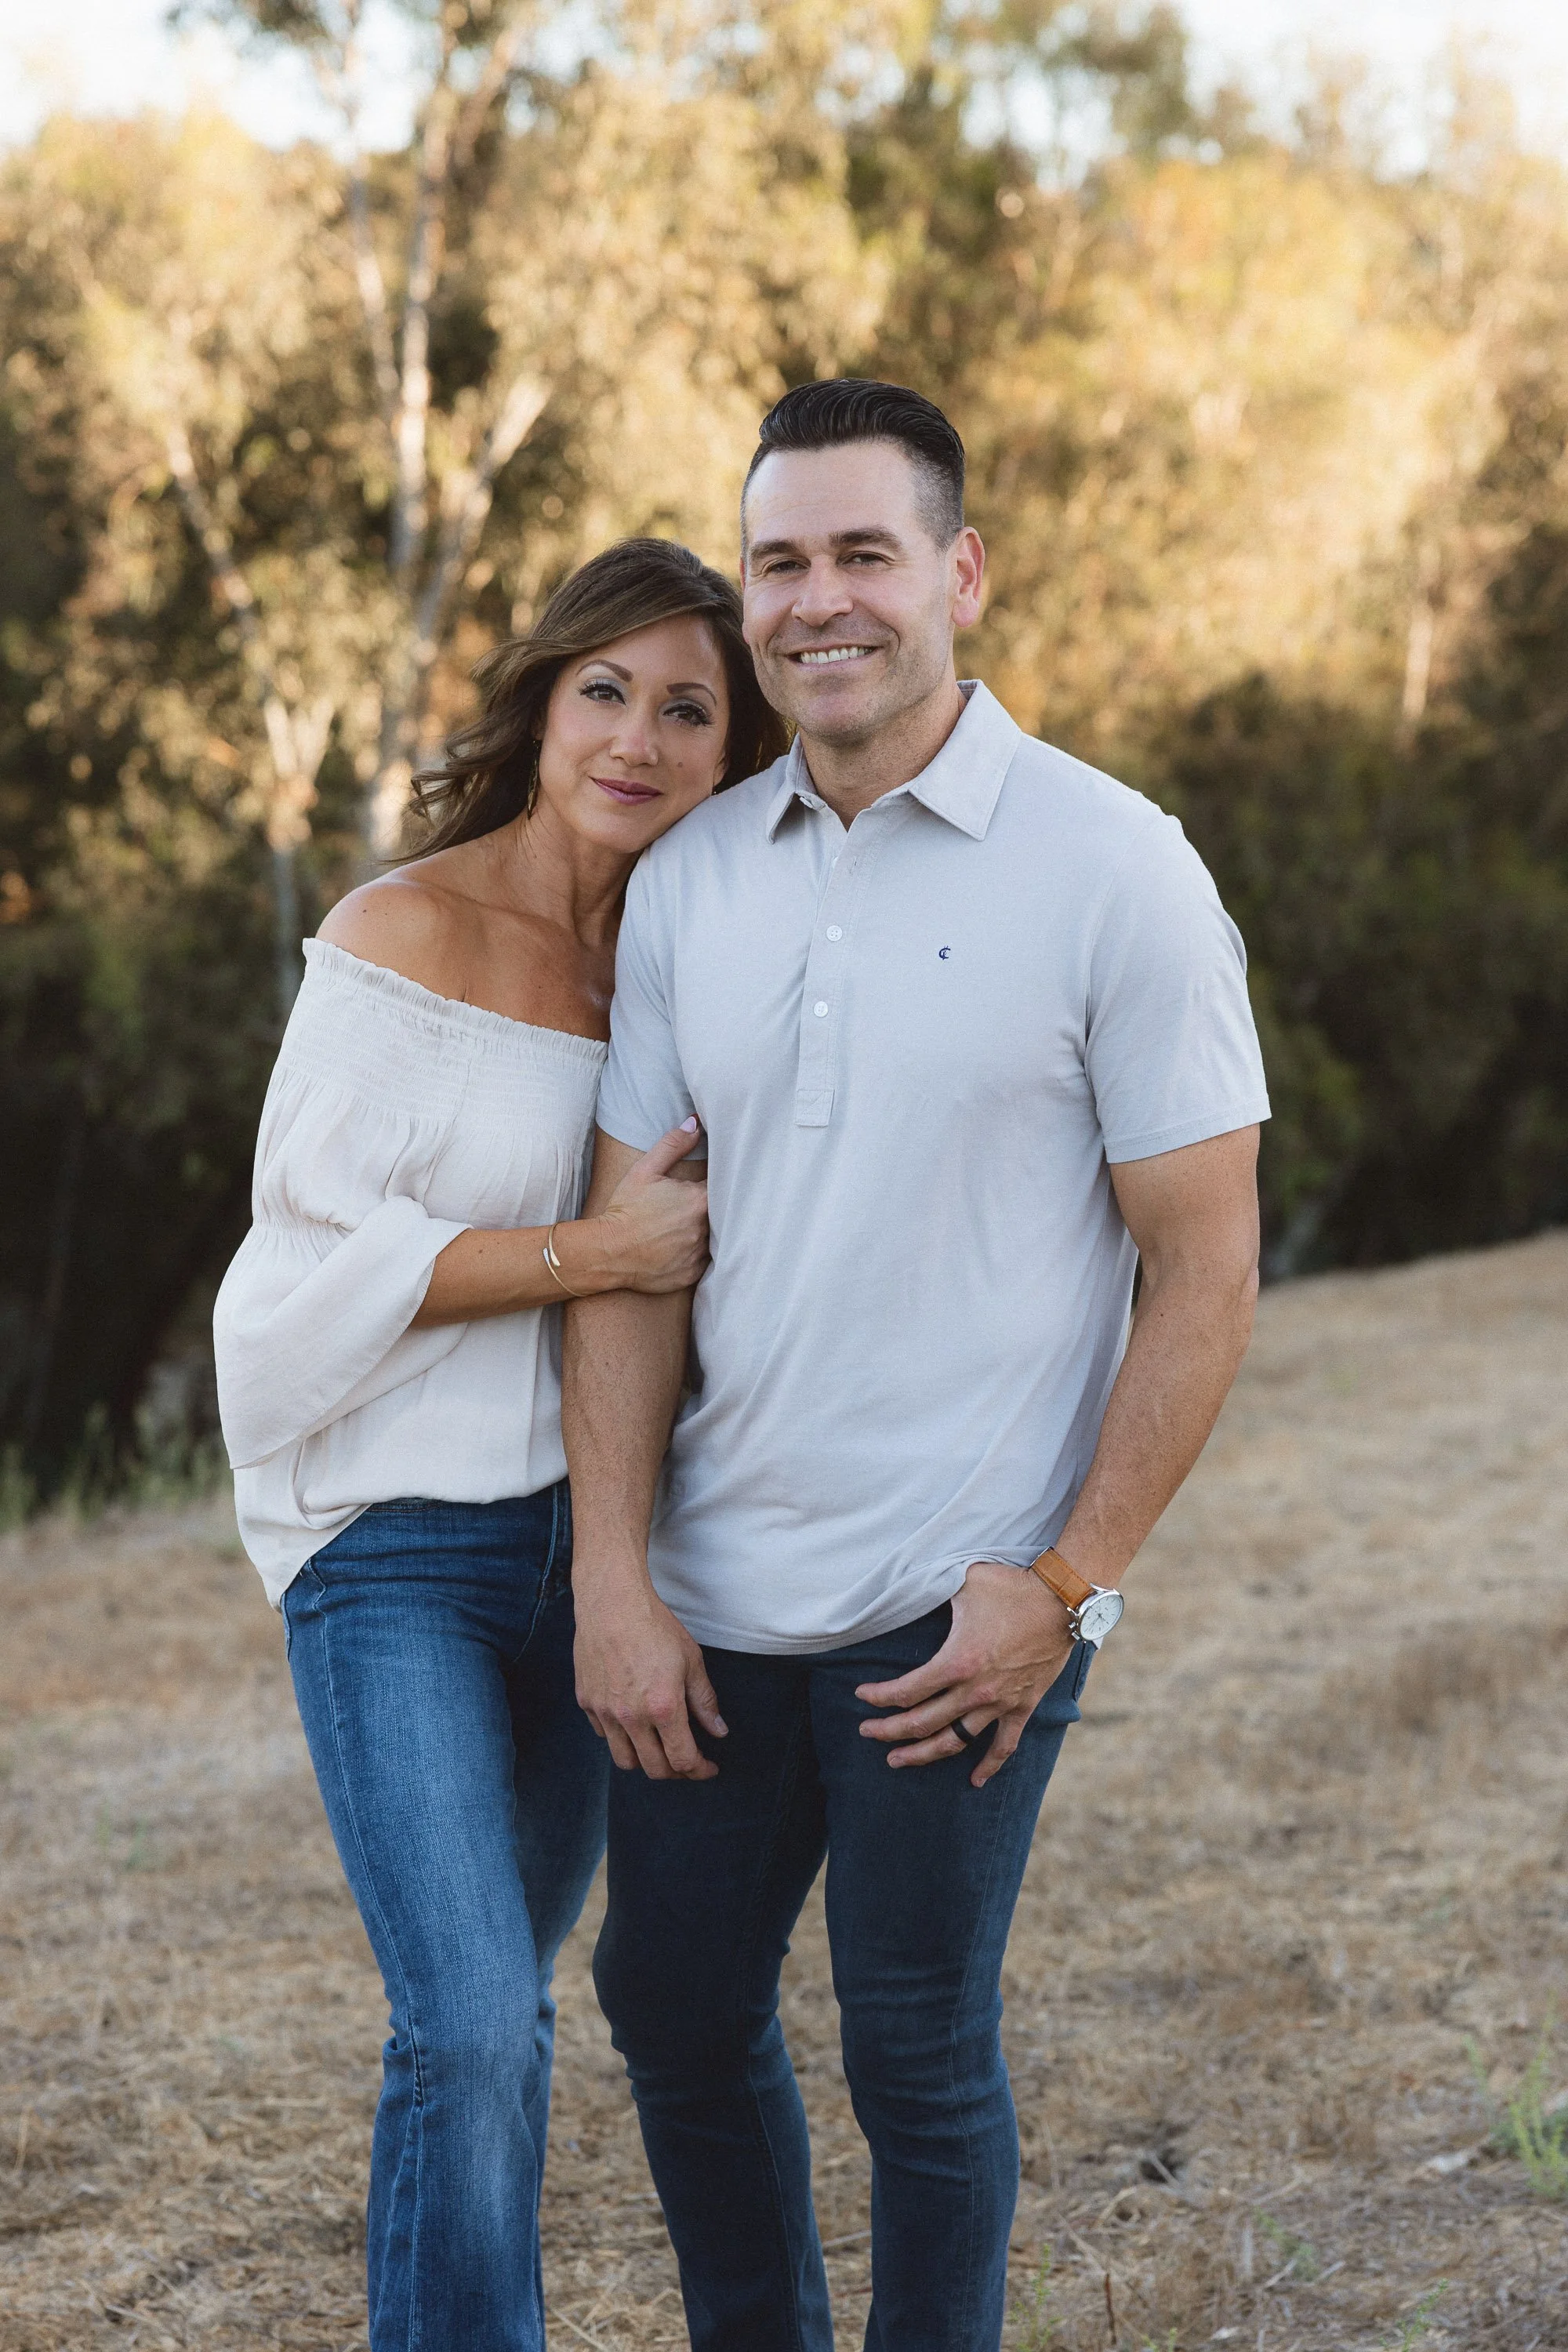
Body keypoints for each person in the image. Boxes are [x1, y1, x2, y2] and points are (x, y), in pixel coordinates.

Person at [563, 385, 1271, 2352]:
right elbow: (630, 1270)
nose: (816, 604)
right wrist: (614, 1579)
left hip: (955, 1606)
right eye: (778, 562)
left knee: (913, 2047)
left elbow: (1203, 1270)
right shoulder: (697, 876)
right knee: (671, 2013)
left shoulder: (1114, 868)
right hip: (711, 1591)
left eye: (862, 553)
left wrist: (1061, 1581)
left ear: (957, 573)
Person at [212, 537, 786, 2352]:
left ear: (733, 747)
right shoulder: (401, 932)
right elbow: (294, 1275)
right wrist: (587, 1255)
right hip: (395, 1552)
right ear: (543, 702)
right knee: (467, 2021)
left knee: (492, 2024)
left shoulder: (701, 966)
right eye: (604, 689)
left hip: (598, 1555)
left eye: (688, 707)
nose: (637, 736)